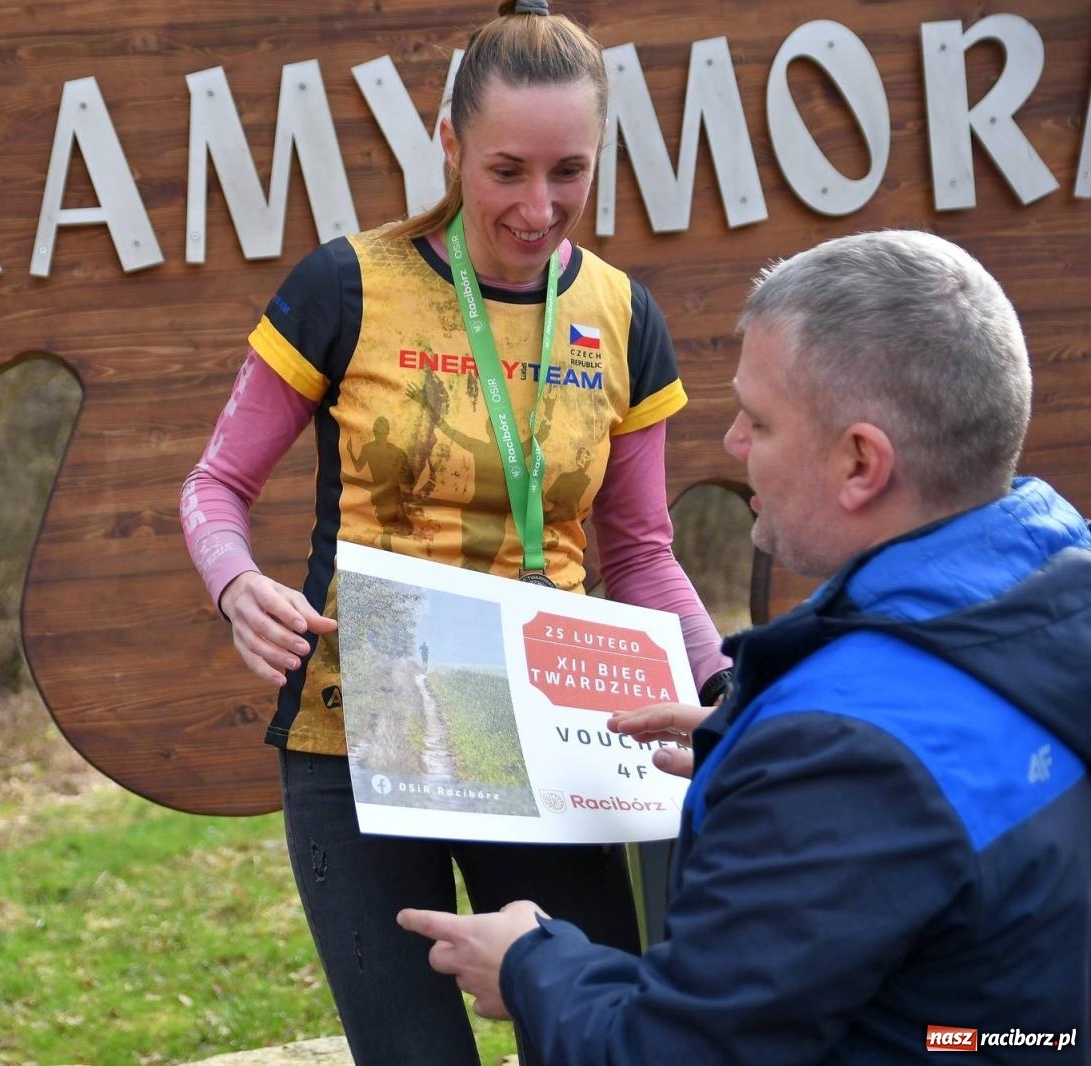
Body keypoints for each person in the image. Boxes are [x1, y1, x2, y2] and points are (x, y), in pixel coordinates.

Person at [180, 2, 731, 1060]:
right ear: (447, 146)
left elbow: (640, 552)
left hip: (552, 745)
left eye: (568, 172)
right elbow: (213, 487)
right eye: (505, 170)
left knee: (591, 1038)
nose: (538, 206)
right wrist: (234, 583)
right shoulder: (347, 283)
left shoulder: (623, 314)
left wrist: (726, 696)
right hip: (359, 732)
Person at [399, 230, 1091, 1063]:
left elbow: (674, 1050)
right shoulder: (1054, 595)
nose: (731, 442)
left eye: (757, 420)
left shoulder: (839, 758)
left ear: (860, 462)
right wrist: (748, 751)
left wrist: (529, 966)